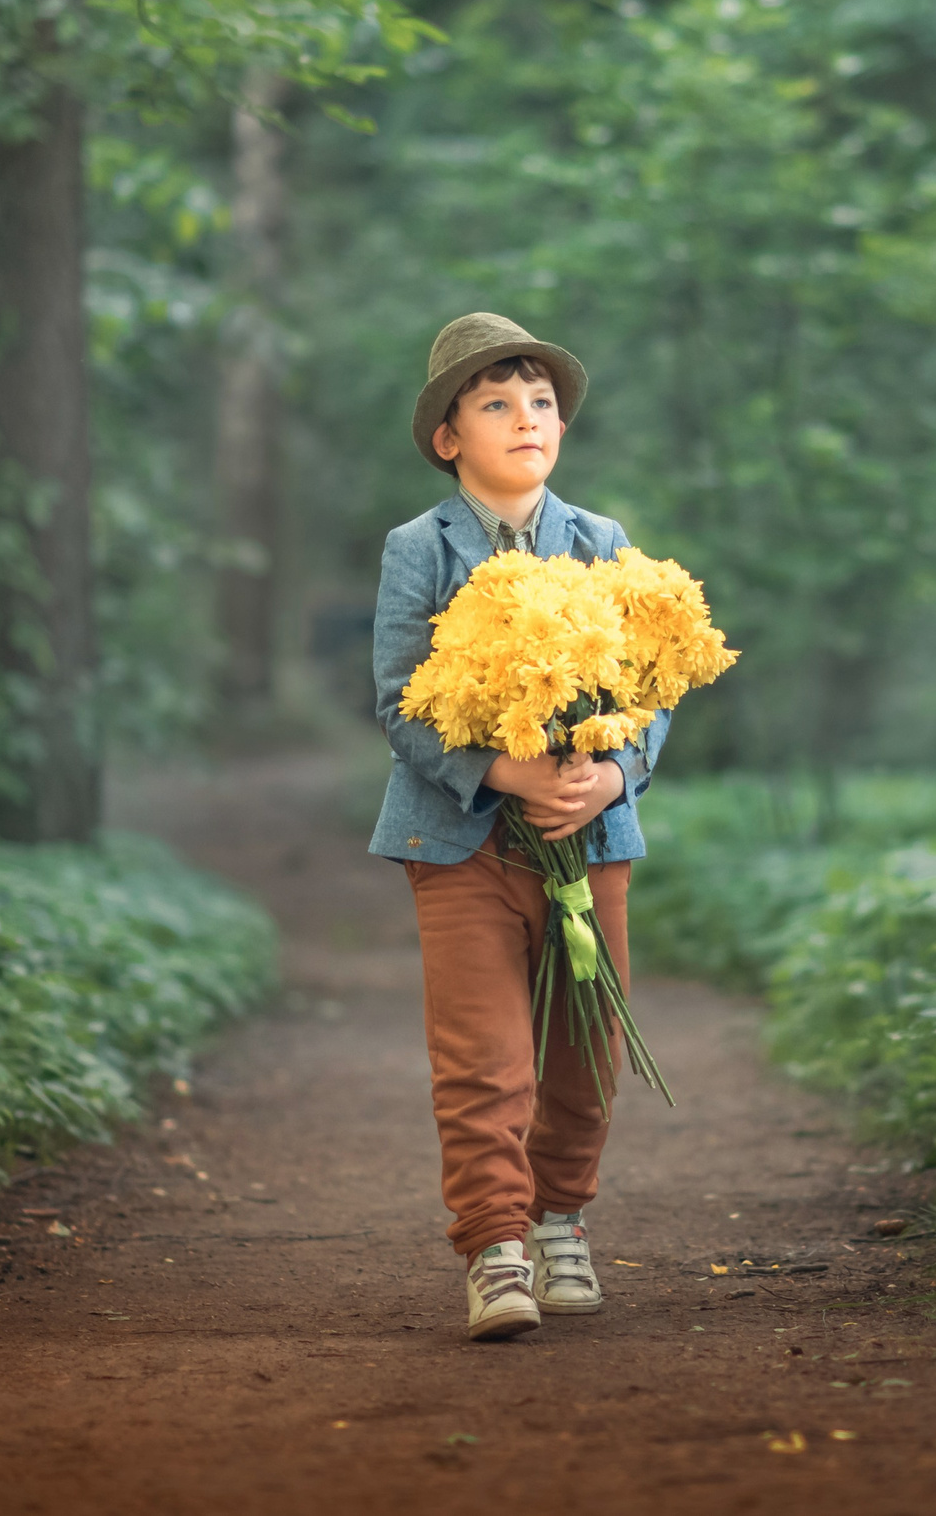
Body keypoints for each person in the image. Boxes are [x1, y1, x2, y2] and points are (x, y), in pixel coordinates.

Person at [369, 311, 671, 1342]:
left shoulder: (604, 544)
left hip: (589, 843)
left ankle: (560, 1224)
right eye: (495, 402)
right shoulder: (420, 548)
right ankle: (494, 1248)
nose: (525, 417)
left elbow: (653, 684)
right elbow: (401, 698)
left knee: (586, 1049)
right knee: (485, 1055)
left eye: (539, 401)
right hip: (458, 842)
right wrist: (502, 770)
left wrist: (613, 775)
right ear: (449, 437)